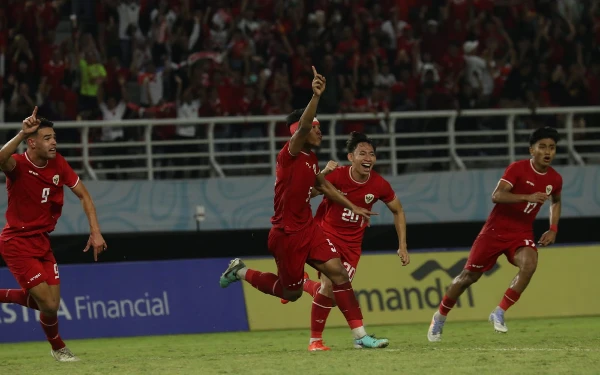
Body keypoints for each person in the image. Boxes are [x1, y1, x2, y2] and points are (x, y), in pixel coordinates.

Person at [219, 66, 389, 349]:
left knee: (339, 274)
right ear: (302, 131)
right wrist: (315, 96)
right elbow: (306, 127)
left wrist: (355, 208)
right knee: (291, 292)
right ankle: (239, 271)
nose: (320, 132)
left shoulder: (310, 159)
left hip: (308, 229)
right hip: (286, 235)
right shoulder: (290, 152)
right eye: (316, 128)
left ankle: (361, 337)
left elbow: (325, 188)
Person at [427, 126, 563, 342]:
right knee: (468, 278)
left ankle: (499, 311)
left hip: (521, 232)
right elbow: (497, 195)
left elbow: (556, 201)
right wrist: (526, 197)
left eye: (552, 148)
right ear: (531, 150)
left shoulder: (555, 178)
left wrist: (553, 228)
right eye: (542, 147)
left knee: (530, 264)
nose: (548, 152)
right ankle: (440, 316)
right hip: (494, 231)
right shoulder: (517, 169)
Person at [282, 131, 410, 351]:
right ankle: (317, 341)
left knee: (329, 294)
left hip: (352, 247)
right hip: (325, 236)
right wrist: (323, 173)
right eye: (362, 153)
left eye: (371, 154)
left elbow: (398, 210)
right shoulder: (338, 175)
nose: (368, 158)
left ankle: (303, 284)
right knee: (332, 284)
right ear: (351, 157)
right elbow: (309, 192)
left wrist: (402, 245)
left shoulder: (379, 184)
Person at [0, 107, 107, 361]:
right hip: (17, 242)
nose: (54, 142)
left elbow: (84, 195)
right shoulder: (18, 165)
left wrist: (96, 232)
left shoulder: (58, 162)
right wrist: (19, 133)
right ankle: (59, 348)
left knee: (51, 305)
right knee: (47, 304)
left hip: (41, 242)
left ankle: (57, 347)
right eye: (47, 138)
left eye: (54, 137)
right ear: (32, 142)